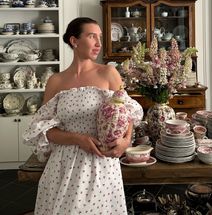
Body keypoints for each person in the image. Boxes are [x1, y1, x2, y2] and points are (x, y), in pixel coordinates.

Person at [23, 17, 143, 215]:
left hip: (100, 164)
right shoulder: (55, 81)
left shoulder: (109, 73)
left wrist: (126, 141)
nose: (99, 43)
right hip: (61, 166)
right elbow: (45, 130)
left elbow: (126, 113)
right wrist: (78, 139)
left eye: (100, 37)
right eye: (91, 36)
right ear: (74, 41)